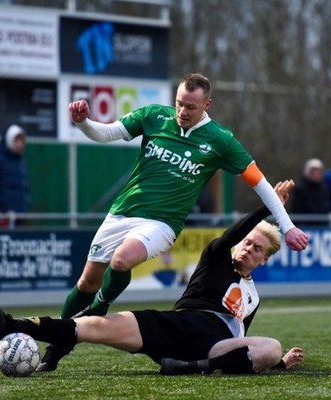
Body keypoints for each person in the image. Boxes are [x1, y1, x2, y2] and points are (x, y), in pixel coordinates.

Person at [36, 73, 309, 372]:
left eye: (191, 106)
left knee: (121, 260)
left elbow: (259, 182)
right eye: (179, 103)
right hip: (122, 213)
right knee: (86, 281)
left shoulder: (220, 139)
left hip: (162, 223)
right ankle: (56, 347)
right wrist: (83, 123)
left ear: (207, 104)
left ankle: (99, 306)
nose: (182, 111)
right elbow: (107, 133)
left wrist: (287, 225)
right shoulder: (153, 116)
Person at [0, 180, 304, 375]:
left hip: (214, 344)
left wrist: (276, 363)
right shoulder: (217, 256)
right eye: (247, 242)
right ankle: (8, 325)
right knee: (94, 326)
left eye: (257, 248)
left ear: (264, 260)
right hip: (176, 325)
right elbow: (234, 232)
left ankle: (188, 369)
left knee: (272, 347)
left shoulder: (253, 297)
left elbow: (242, 348)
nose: (249, 248)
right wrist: (268, 207)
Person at [290, 158, 331, 223]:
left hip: (322, 226)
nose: (316, 174)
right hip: (304, 225)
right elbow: (296, 209)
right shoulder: (300, 189)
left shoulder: (325, 188)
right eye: (313, 171)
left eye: (318, 171)